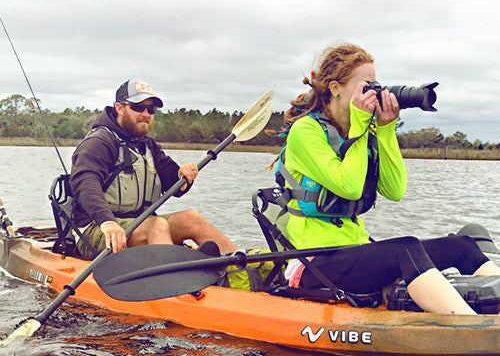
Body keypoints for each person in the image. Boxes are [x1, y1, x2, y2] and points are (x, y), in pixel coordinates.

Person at [273, 42, 499, 315]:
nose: (374, 92)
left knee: (461, 247)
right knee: (405, 249)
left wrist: (386, 129)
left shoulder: (363, 130)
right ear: (335, 88)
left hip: (353, 250)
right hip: (312, 264)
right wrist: (360, 125)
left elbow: (394, 190)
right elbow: (350, 188)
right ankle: (470, 329)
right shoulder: (305, 131)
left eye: (376, 85)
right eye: (365, 86)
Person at [70, 78, 237, 259]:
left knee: (191, 218)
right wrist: (107, 221)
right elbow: (84, 184)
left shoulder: (148, 145)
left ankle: (244, 269)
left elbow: (173, 181)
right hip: (96, 229)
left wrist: (183, 176)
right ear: (119, 108)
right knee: (156, 225)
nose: (146, 113)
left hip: (138, 225)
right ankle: (174, 280)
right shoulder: (99, 142)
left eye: (151, 109)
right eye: (138, 107)